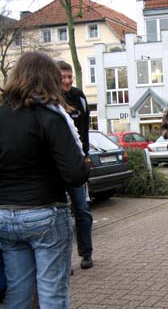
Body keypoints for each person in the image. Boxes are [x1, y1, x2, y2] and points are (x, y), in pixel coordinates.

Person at [0, 51, 90, 308]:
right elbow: (75, 174)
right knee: (52, 292)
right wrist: (84, 164)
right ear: (49, 80)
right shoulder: (51, 117)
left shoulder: (1, 116)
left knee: (17, 293)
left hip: (5, 216)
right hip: (45, 214)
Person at [57, 60, 94, 270]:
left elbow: (85, 129)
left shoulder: (79, 96)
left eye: (70, 76)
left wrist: (86, 156)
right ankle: (63, 260)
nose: (68, 80)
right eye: (63, 77)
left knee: (82, 209)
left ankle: (86, 253)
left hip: (78, 163)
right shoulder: (49, 99)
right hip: (56, 167)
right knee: (60, 214)